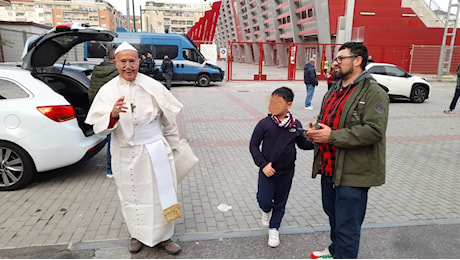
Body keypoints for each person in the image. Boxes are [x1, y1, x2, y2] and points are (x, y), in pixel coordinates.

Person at [85, 41, 183, 255]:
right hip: (126, 152)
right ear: (115, 63)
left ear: (139, 62)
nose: (128, 66)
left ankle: (165, 238)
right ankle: (137, 235)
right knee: (132, 196)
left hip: (155, 149)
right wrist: (112, 115)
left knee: (161, 195)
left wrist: (175, 146)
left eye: (132, 61)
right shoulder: (107, 90)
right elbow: (99, 128)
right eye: (123, 62)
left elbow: (169, 120)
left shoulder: (153, 86)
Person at [305, 42, 389, 259]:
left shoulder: (374, 92)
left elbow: (374, 131)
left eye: (340, 58)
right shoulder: (335, 89)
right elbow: (326, 120)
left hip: (353, 174)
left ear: (358, 61)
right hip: (330, 169)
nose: (335, 63)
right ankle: (334, 251)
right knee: (334, 217)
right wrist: (315, 132)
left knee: (348, 227)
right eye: (336, 59)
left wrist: (331, 136)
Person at [249, 86, 313, 248]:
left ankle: (274, 228)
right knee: (264, 199)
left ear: (288, 105)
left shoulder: (295, 125)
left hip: (287, 172)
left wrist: (313, 138)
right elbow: (253, 146)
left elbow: (303, 145)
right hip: (267, 172)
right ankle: (265, 210)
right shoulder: (264, 124)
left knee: (280, 202)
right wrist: (263, 165)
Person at [87, 49, 119, 178]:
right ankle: (112, 168)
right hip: (114, 110)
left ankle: (110, 170)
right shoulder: (116, 72)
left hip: (99, 107)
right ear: (115, 60)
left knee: (109, 139)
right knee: (114, 141)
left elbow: (92, 89)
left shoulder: (96, 70)